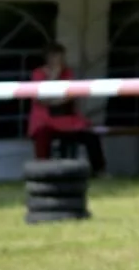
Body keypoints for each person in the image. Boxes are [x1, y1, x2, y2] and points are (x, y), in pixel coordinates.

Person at [29, 43, 104, 174]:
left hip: (69, 120)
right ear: (48, 58)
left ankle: (99, 170)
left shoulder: (68, 73)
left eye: (62, 57)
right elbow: (41, 98)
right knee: (42, 136)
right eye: (56, 57)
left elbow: (69, 96)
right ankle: (42, 172)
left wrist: (53, 101)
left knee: (91, 135)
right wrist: (53, 77)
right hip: (45, 121)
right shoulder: (38, 74)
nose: (61, 61)